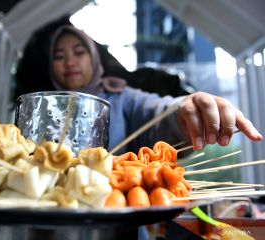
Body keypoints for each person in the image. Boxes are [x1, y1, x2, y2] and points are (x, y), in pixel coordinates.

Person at [48, 25, 263, 154]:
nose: (70, 62)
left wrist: (185, 110)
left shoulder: (121, 97)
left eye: (79, 52)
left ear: (94, 59)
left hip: (124, 226)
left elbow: (158, 112)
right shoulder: (42, 107)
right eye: (59, 56)